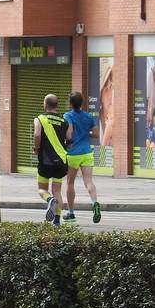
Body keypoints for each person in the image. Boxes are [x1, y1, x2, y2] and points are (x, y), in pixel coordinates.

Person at [63, 92, 101, 223]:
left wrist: (67, 140)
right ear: (82, 103)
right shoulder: (88, 116)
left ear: (70, 103)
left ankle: (71, 213)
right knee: (88, 181)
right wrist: (86, 132)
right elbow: (96, 134)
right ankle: (95, 203)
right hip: (87, 152)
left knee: (70, 183)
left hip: (73, 153)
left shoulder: (68, 115)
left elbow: (69, 134)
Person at [32, 94, 69, 226]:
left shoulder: (40, 119)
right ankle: (57, 220)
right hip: (61, 161)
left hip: (45, 160)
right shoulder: (64, 121)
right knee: (57, 190)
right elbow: (69, 138)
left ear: (45, 104)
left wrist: (36, 149)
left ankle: (50, 200)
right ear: (57, 105)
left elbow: (37, 135)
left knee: (42, 189)